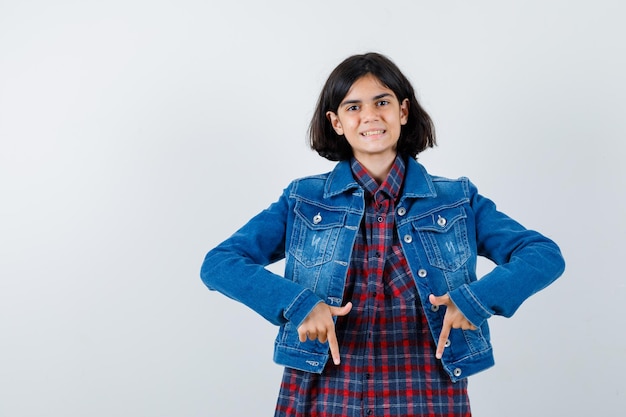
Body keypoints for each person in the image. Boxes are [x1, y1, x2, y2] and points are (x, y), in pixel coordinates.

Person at [200, 52, 565, 417]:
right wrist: (298, 304)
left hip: (427, 393)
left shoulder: (456, 200)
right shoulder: (303, 199)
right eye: (353, 106)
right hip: (321, 392)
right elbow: (220, 264)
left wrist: (475, 300)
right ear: (336, 122)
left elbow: (542, 254)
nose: (370, 116)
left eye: (382, 102)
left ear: (403, 112)